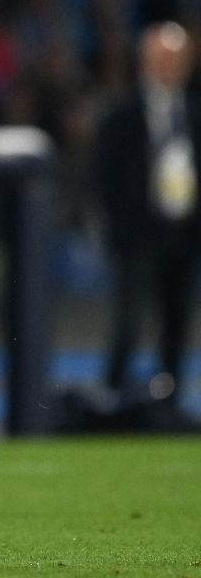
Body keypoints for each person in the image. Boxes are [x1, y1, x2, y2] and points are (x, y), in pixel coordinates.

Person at [96, 21, 201, 418]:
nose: (169, 67)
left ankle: (170, 401)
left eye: (176, 59)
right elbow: (106, 176)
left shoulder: (192, 113)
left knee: (177, 321)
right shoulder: (121, 114)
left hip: (184, 234)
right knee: (130, 321)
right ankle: (112, 400)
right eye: (161, 58)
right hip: (138, 235)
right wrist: (118, 225)